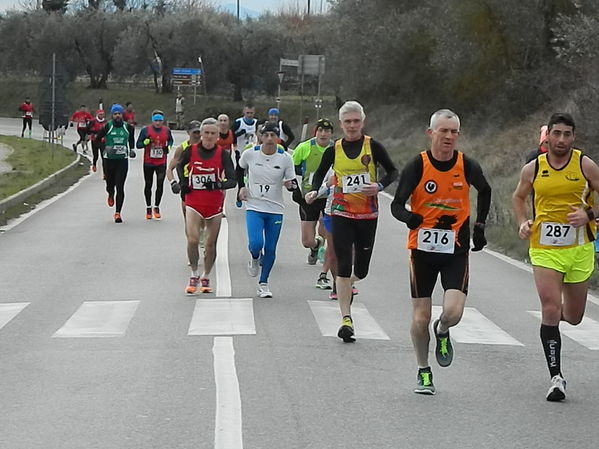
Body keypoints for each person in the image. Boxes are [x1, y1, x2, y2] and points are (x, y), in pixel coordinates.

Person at [391, 109, 491, 395]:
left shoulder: (466, 165)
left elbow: (485, 191)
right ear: (431, 133)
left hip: (455, 251)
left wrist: (480, 226)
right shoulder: (417, 166)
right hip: (421, 251)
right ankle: (423, 370)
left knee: (453, 312)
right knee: (420, 318)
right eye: (443, 131)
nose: (449, 137)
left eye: (454, 132)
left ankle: (443, 330)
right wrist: (409, 218)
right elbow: (396, 205)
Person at [513, 112, 599, 402]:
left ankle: (553, 322)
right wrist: (523, 222)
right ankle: (556, 377)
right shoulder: (533, 168)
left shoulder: (584, 164)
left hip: (579, 249)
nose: (561, 140)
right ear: (547, 136)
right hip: (544, 249)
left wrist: (588, 214)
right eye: (556, 134)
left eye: (567, 134)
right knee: (550, 308)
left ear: (574, 137)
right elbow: (519, 197)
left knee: (573, 317)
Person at [306, 101, 398, 342]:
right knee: (344, 263)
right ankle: (346, 319)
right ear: (341, 124)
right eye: (348, 122)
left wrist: (378, 186)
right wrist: (315, 190)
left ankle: (343, 285)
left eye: (356, 121)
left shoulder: (373, 146)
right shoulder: (333, 150)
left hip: (368, 215)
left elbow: (393, 172)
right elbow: (318, 174)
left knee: (362, 271)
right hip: (340, 213)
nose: (352, 125)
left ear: (362, 122)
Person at [176, 118, 236, 294]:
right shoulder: (190, 150)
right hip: (194, 201)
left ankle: (206, 275)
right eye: (206, 133)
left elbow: (232, 180)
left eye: (213, 133)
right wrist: (184, 182)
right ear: (201, 134)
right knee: (193, 239)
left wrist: (218, 185)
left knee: (210, 245)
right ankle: (194, 273)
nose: (209, 136)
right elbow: (180, 166)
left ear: (218, 136)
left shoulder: (223, 155)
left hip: (214, 204)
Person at [237, 122, 297, 298]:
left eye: (273, 135)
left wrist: (290, 185)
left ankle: (263, 283)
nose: (270, 139)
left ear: (278, 138)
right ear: (261, 137)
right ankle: (254, 257)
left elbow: (292, 182)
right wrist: (242, 187)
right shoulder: (250, 154)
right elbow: (239, 169)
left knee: (270, 248)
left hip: (275, 209)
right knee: (256, 244)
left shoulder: (285, 157)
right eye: (266, 135)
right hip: (254, 206)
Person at [292, 118, 335, 286]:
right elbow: (292, 168)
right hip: (308, 195)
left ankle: (325, 254)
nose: (324, 134)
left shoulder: (335, 149)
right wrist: (296, 189)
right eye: (320, 131)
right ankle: (315, 246)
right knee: (306, 241)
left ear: (331, 133)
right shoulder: (304, 148)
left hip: (329, 196)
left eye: (327, 131)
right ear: (315, 132)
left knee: (326, 228)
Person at [94, 104, 136, 223]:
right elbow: (97, 139)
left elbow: (131, 139)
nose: (117, 116)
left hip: (122, 160)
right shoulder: (108, 126)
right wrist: (104, 149)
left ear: (122, 115)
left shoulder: (128, 127)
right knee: (110, 185)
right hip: (109, 160)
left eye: (119, 114)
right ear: (112, 115)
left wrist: (132, 149)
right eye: (115, 114)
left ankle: (118, 213)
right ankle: (110, 194)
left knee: (120, 187)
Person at [136, 110, 174, 220]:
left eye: (160, 121)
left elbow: (171, 141)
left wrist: (169, 147)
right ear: (152, 121)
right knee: (148, 184)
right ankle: (148, 207)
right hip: (148, 162)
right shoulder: (145, 130)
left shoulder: (166, 130)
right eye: (156, 121)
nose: (158, 123)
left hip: (161, 162)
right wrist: (145, 143)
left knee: (160, 184)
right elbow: (138, 145)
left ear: (163, 121)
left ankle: (157, 207)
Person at [87, 109, 106, 174]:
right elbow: (88, 129)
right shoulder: (93, 121)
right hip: (95, 141)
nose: (101, 116)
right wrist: (90, 134)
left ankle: (105, 173)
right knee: (96, 156)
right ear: (97, 115)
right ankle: (94, 164)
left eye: (102, 114)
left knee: (104, 157)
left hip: (103, 141)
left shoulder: (106, 122)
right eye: (100, 114)